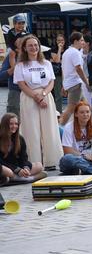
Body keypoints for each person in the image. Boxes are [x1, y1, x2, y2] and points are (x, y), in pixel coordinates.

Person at [13, 35, 63, 170]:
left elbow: (51, 81)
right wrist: (36, 97)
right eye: (30, 45)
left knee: (50, 129)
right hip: (29, 97)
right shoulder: (20, 65)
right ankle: (33, 161)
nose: (34, 48)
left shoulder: (46, 63)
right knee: (31, 130)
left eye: (36, 45)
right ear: (25, 48)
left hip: (45, 96)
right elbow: (21, 84)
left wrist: (44, 95)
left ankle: (52, 160)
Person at [59, 101, 92, 175]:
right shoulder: (69, 127)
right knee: (67, 159)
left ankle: (84, 169)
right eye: (82, 112)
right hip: (76, 158)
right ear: (76, 114)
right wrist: (83, 156)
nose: (85, 114)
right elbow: (67, 151)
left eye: (87, 112)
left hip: (90, 159)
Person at [0, 113, 45, 183]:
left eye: (16, 124)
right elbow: (2, 161)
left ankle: (14, 178)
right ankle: (27, 179)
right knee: (7, 171)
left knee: (39, 165)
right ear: (5, 125)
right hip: (6, 167)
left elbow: (23, 158)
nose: (14, 126)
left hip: (16, 167)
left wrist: (25, 168)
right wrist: (16, 170)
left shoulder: (20, 139)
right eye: (11, 124)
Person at [60, 32, 90, 124]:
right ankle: (60, 127)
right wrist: (86, 82)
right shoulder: (75, 53)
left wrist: (63, 85)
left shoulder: (66, 52)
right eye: (81, 40)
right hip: (75, 83)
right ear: (76, 41)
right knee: (71, 108)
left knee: (85, 107)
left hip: (71, 83)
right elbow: (78, 68)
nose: (83, 42)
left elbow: (64, 69)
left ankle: (87, 126)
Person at [50, 33, 66, 112]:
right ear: (56, 41)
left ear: (64, 41)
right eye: (58, 40)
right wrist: (59, 49)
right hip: (57, 75)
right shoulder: (53, 49)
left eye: (62, 40)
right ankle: (58, 112)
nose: (60, 42)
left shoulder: (68, 49)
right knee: (58, 95)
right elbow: (57, 60)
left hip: (67, 74)